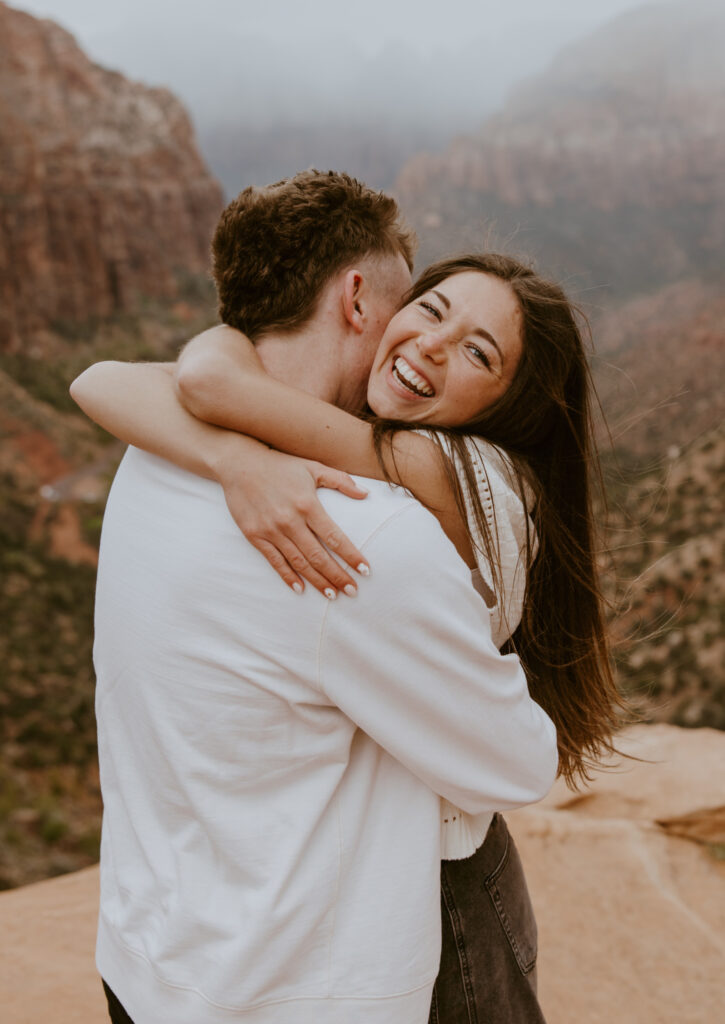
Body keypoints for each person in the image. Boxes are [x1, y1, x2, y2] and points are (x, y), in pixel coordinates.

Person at [69, 171, 602, 1024]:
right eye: (423, 305)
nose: (425, 341)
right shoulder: (367, 535)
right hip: (304, 987)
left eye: (478, 351)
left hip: (148, 959)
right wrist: (239, 458)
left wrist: (228, 451)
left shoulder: (151, 456)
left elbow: (146, 379)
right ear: (361, 297)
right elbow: (515, 763)